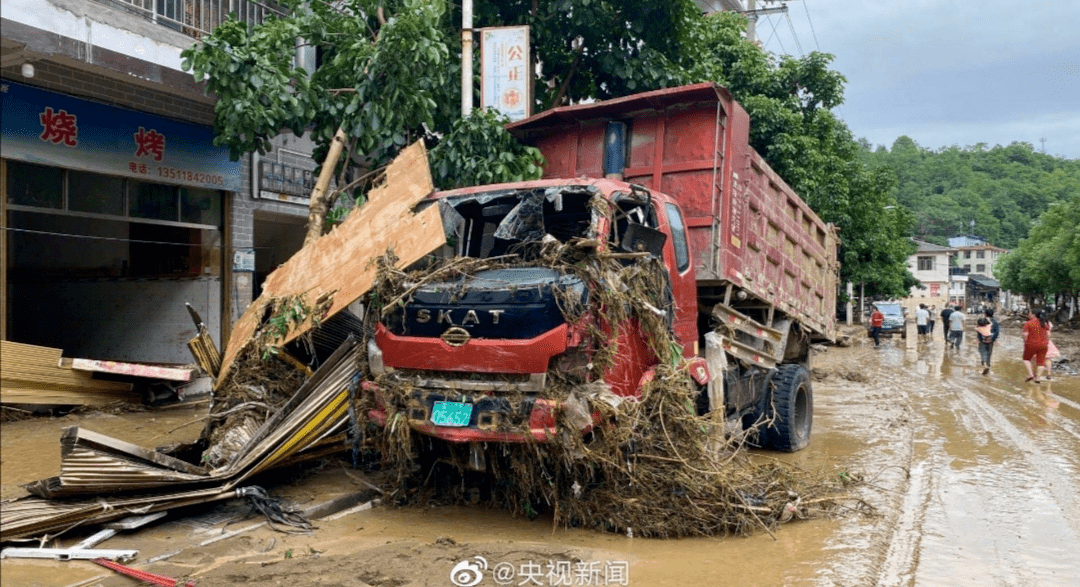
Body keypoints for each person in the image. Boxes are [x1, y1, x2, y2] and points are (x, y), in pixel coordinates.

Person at [1022, 309, 1051, 382]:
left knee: (1026, 359)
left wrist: (1025, 342)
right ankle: (1038, 378)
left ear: (1033, 314)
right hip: (1043, 345)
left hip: (1031, 344)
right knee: (1041, 362)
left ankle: (1031, 374)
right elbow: (1048, 334)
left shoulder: (1028, 323)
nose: (1029, 314)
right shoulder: (1044, 323)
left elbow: (1025, 335)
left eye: (1030, 313)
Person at [976, 308, 999, 375]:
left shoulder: (982, 320)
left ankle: (985, 365)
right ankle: (988, 367)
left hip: (982, 340)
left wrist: (979, 339)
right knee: (989, 353)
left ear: (985, 314)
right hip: (991, 340)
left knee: (982, 352)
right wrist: (993, 339)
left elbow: (979, 330)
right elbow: (997, 332)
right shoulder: (995, 322)